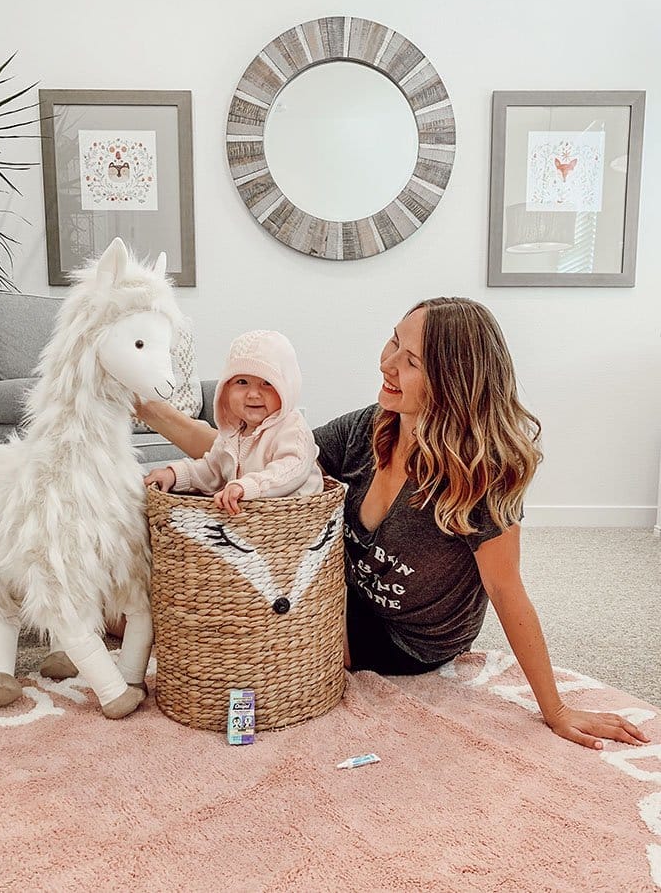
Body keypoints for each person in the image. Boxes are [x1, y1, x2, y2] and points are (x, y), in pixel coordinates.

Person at [136, 298, 649, 751]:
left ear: (453, 378)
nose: (387, 364)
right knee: (197, 597)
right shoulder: (368, 427)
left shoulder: (480, 474)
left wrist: (556, 711)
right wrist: (143, 404)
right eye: (393, 342)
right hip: (341, 591)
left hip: (408, 637)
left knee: (244, 638)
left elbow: (507, 590)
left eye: (412, 361)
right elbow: (244, 460)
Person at [144, 329, 323, 513]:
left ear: (287, 388)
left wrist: (249, 486)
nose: (253, 394)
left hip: (292, 521)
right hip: (250, 522)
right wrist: (176, 474)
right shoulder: (232, 432)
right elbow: (211, 470)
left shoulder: (292, 428)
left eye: (267, 383)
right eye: (242, 382)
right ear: (226, 388)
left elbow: (291, 469)